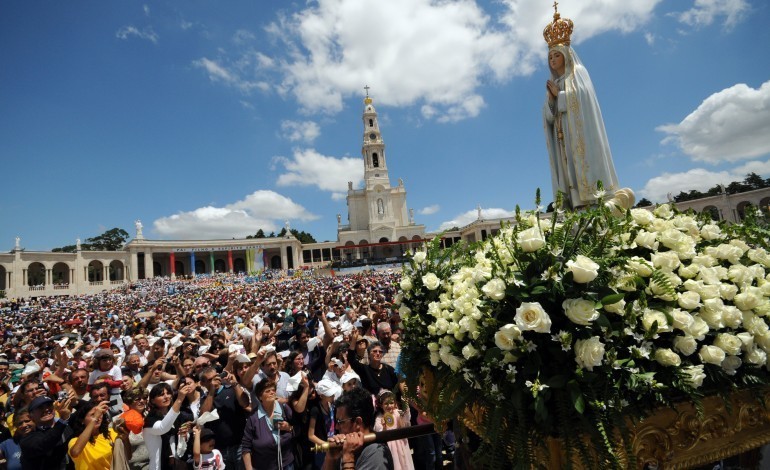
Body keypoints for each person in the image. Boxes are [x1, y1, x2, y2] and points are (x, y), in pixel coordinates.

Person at [542, 5, 618, 209]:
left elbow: (585, 99)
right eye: (550, 57)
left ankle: (592, 200)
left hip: (579, 133)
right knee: (567, 169)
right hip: (562, 135)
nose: (552, 60)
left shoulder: (578, 73)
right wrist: (551, 101)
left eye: (556, 55)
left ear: (566, 55)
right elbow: (548, 117)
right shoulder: (554, 83)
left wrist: (562, 96)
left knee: (579, 166)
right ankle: (574, 204)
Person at [322, 387, 393, 470]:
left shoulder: (376, 453)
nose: (336, 427)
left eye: (340, 421)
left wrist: (348, 458)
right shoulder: (345, 448)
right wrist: (330, 458)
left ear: (358, 422)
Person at [241, 379, 295, 470]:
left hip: (287, 464)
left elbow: (297, 429)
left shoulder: (284, 409)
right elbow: (246, 446)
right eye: (267, 391)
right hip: (265, 466)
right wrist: (249, 468)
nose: (272, 393)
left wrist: (288, 428)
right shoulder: (253, 417)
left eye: (273, 390)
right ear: (260, 397)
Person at [143, 381, 195, 470]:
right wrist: (179, 399)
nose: (166, 397)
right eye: (161, 394)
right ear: (152, 400)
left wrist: (183, 435)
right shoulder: (150, 419)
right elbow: (162, 428)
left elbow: (180, 445)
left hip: (177, 464)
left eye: (168, 393)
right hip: (159, 466)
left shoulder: (178, 416)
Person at [67, 400, 131, 470]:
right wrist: (94, 419)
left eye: (99, 414)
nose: (98, 417)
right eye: (93, 415)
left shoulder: (112, 432)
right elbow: (75, 452)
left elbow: (128, 456)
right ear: (82, 420)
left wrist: (125, 439)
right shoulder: (74, 441)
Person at [19, 395, 74, 470]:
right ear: (31, 416)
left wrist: (76, 402)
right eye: (40, 408)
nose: (47, 409)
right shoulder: (27, 440)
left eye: (49, 405)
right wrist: (62, 421)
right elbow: (46, 442)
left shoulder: (66, 425)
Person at [373, 391, 413, 470]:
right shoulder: (380, 418)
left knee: (405, 462)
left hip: (402, 443)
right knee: (395, 464)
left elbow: (404, 424)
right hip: (391, 446)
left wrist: (406, 408)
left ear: (395, 403)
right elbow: (380, 435)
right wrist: (384, 426)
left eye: (391, 403)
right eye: (386, 404)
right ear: (381, 405)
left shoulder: (397, 413)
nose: (389, 406)